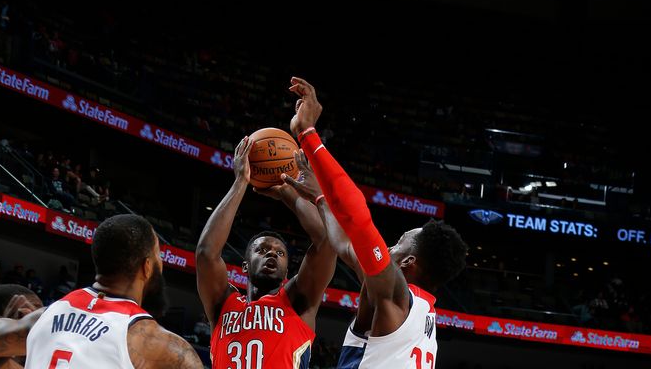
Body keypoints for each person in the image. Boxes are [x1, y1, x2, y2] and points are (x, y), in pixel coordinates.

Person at [285, 77, 468, 368]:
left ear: (408, 262)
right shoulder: (421, 313)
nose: (389, 247)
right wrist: (320, 199)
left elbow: (359, 219)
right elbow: (345, 244)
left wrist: (307, 135)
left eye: (397, 243)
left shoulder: (396, 295)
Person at [0, 214, 202, 369]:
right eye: (158, 258)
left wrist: (13, 325)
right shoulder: (158, 343)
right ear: (147, 268)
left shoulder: (43, 317)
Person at [196, 136, 337, 368]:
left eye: (280, 253)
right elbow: (206, 254)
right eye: (262, 250)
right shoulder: (223, 302)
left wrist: (287, 194)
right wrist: (240, 183)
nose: (272, 254)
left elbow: (326, 240)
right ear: (245, 265)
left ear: (286, 273)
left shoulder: (297, 301)